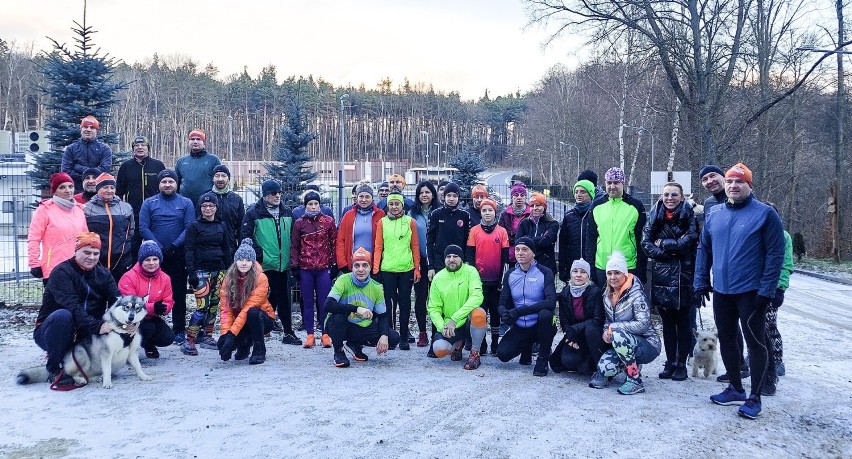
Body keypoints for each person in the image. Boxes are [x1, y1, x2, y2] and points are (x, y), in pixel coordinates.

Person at [695, 163, 785, 419]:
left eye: (739, 182)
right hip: (722, 290)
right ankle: (735, 387)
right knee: (728, 338)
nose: (734, 186)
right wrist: (700, 280)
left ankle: (755, 396)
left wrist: (767, 289)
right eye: (732, 182)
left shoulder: (765, 214)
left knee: (755, 342)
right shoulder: (716, 214)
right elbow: (704, 249)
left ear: (749, 185)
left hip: (751, 291)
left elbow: (775, 254)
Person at [31, 232, 121, 386]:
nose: (91, 257)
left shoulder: (104, 274)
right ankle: (54, 368)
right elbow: (72, 306)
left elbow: (116, 301)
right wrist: (97, 326)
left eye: (95, 253)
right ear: (76, 251)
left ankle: (80, 363)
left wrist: (124, 321)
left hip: (86, 333)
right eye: (86, 252)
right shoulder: (61, 272)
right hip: (52, 331)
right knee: (63, 315)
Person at [642, 182, 698, 381]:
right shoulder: (655, 214)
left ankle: (681, 363)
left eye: (674, 194)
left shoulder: (690, 215)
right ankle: (670, 361)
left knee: (683, 322)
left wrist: (664, 244)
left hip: (684, 276)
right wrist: (664, 254)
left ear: (681, 197)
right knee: (667, 323)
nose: (670, 198)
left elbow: (688, 242)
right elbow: (645, 242)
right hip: (662, 275)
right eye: (666, 194)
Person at [700, 164, 749, 382]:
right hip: (720, 273)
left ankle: (758, 371)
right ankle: (736, 367)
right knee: (727, 325)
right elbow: (707, 242)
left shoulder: (746, 201)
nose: (710, 181)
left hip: (746, 274)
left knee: (750, 326)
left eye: (714, 176)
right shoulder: (710, 205)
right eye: (705, 179)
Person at [588, 252, 661, 395]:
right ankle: (630, 365)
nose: (612, 277)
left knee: (618, 335)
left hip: (648, 344)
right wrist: (605, 331)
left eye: (617, 273)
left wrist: (614, 328)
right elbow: (608, 321)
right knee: (604, 367)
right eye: (609, 273)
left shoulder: (637, 295)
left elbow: (643, 324)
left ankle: (635, 380)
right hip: (623, 342)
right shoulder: (607, 296)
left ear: (625, 274)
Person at [139, 169, 195, 344]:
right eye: (164, 182)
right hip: (154, 257)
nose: (167, 184)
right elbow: (144, 227)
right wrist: (158, 247)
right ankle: (152, 328)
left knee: (178, 293)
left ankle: (178, 329)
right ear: (159, 184)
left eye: (171, 181)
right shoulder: (149, 203)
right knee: (151, 293)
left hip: (177, 254)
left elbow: (189, 226)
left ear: (176, 184)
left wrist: (174, 246)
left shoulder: (186, 203)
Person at [242, 179, 300, 345]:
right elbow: (246, 236)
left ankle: (284, 330)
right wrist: (260, 255)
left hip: (282, 264)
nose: (277, 196)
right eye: (274, 193)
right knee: (265, 297)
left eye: (279, 192)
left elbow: (293, 237)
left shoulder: (287, 212)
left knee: (281, 297)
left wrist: (292, 257)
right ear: (265, 195)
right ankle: (267, 328)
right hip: (264, 264)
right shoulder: (253, 213)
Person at [324, 247, 401, 367]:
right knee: (338, 316)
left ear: (370, 267)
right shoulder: (343, 279)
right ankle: (339, 352)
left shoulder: (377, 287)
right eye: (357, 265)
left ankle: (354, 344)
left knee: (393, 338)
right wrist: (356, 309)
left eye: (365, 265)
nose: (361, 269)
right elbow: (328, 305)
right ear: (352, 267)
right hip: (339, 325)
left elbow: (383, 316)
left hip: (361, 326)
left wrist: (384, 336)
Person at [496, 237, 557, 377]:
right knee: (503, 354)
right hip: (520, 325)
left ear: (533, 253)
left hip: (540, 324)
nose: (520, 253)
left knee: (546, 314)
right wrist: (505, 314)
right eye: (517, 249)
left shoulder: (545, 272)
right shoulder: (510, 274)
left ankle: (543, 357)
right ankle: (527, 347)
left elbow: (550, 302)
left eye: (525, 249)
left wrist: (519, 311)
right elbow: (501, 303)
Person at [181, 191, 230, 356]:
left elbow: (226, 248)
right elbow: (188, 250)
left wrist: (229, 270)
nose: (208, 208)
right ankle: (190, 340)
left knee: (214, 306)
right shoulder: (193, 227)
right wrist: (191, 272)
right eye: (204, 206)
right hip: (201, 272)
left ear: (216, 208)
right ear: (200, 208)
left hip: (220, 271)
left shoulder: (221, 225)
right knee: (202, 307)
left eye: (211, 205)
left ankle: (208, 336)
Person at [216, 238, 277, 365]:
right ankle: (244, 345)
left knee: (253, 312)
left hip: (263, 319)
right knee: (223, 344)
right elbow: (225, 309)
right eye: (240, 260)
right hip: (241, 319)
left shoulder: (261, 278)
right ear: (235, 262)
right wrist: (225, 334)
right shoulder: (228, 279)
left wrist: (232, 335)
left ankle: (259, 349)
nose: (244, 263)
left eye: (248, 260)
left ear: (253, 262)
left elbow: (248, 308)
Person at [373, 192, 421, 349]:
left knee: (405, 303)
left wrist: (417, 268)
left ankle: (404, 336)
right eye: (391, 204)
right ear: (388, 206)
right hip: (387, 269)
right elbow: (378, 246)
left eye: (397, 204)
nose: (394, 207)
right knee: (388, 303)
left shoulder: (410, 222)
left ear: (402, 205)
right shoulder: (382, 223)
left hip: (406, 268)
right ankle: (391, 335)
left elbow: (415, 246)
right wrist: (375, 269)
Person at [427, 245, 487, 370]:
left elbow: (477, 297)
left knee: (479, 314)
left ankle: (475, 353)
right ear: (444, 260)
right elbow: (433, 308)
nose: (451, 259)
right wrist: (442, 326)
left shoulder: (471, 271)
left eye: (455, 256)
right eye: (448, 257)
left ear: (462, 259)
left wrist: (455, 319)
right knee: (439, 350)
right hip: (449, 325)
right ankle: (458, 345)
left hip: (467, 321)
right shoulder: (438, 278)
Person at [585, 167, 647, 286]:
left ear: (622, 183)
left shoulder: (635, 206)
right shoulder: (597, 205)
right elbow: (591, 238)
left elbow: (641, 240)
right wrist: (591, 266)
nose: (612, 186)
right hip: (602, 266)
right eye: (609, 183)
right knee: (603, 303)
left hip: (627, 265)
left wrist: (641, 270)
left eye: (616, 182)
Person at [291, 190, 337, 348]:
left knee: (325, 302)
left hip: (324, 268)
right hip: (306, 269)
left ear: (320, 205)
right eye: (310, 204)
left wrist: (335, 264)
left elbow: (334, 243)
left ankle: (325, 334)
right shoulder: (299, 223)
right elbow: (295, 246)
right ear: (305, 206)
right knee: (308, 302)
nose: (313, 206)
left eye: (316, 203)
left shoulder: (328, 221)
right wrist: (295, 266)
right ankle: (310, 334)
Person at [465, 198, 509, 355]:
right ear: (480, 212)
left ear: (495, 212)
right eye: (484, 210)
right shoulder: (474, 231)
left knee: (495, 314)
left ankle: (495, 343)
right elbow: (469, 257)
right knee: (480, 313)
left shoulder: (502, 232)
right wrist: (472, 280)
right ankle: (481, 343)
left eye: (490, 210)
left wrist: (502, 282)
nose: (487, 213)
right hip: (479, 282)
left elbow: (505, 260)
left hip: (495, 281)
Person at [27, 172, 88, 284]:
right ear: (54, 191)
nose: (68, 190)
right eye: (62, 187)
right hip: (54, 269)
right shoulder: (44, 210)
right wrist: (34, 263)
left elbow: (85, 239)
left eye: (70, 186)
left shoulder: (79, 210)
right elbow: (34, 238)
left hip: (77, 267)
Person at [118, 241, 175, 358]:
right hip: (127, 320)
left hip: (151, 317)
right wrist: (153, 307)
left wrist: (164, 308)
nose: (152, 263)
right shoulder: (129, 277)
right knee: (147, 328)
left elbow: (168, 300)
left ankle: (147, 344)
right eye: (147, 260)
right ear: (141, 261)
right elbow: (130, 305)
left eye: (155, 259)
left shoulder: (165, 278)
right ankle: (126, 349)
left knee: (167, 338)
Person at [550, 259, 605, 374]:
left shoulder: (595, 292)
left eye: (583, 272)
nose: (578, 275)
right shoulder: (565, 293)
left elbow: (598, 320)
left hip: (592, 333)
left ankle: (601, 368)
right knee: (567, 361)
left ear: (588, 275)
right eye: (575, 271)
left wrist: (575, 329)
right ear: (571, 274)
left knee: (591, 330)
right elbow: (564, 319)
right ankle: (585, 363)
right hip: (574, 334)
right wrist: (570, 335)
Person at [116, 135, 166, 255]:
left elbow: (165, 188)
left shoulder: (158, 165)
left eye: (143, 145)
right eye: (136, 146)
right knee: (134, 246)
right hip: (133, 214)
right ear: (133, 149)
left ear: (148, 148)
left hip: (155, 213)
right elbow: (119, 192)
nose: (140, 148)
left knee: (155, 245)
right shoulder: (125, 167)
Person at [84, 173, 135, 282]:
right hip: (96, 260)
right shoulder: (87, 208)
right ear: (97, 189)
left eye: (112, 187)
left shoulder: (125, 207)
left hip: (121, 261)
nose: (109, 190)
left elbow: (131, 231)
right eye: (105, 187)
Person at [765, 203, 794, 383]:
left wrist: (780, 288)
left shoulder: (783, 236)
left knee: (770, 325)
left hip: (773, 288)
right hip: (752, 287)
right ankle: (754, 356)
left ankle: (776, 360)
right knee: (752, 326)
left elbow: (786, 265)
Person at [409, 180, 439, 348]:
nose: (424, 195)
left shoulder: (439, 212)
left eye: (427, 192)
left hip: (436, 261)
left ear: (433, 194)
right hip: (419, 261)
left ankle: (436, 332)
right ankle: (422, 332)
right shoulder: (412, 214)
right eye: (421, 193)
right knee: (420, 298)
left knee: (436, 298)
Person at [336, 183, 385, 273]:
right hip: (354, 264)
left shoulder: (380, 214)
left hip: (374, 264)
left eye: (367, 197)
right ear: (357, 197)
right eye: (361, 196)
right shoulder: (349, 215)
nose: (364, 200)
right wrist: (342, 263)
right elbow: (340, 240)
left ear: (372, 198)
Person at [426, 182, 470, 280]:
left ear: (458, 198)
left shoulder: (465, 216)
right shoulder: (436, 214)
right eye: (448, 195)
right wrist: (431, 266)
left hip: (458, 263)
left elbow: (468, 242)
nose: (451, 199)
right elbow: (429, 241)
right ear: (444, 196)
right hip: (439, 263)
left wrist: (466, 262)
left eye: (454, 196)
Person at [61, 115, 112, 193]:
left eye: (92, 128)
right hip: (75, 192)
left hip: (98, 193)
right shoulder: (71, 149)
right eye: (85, 127)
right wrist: (86, 177)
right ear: (81, 129)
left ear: (96, 130)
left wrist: (78, 167)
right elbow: (66, 171)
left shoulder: (105, 149)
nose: (88, 130)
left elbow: (105, 170)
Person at [558, 179, 596, 283]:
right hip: (572, 266)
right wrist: (562, 268)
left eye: (583, 192)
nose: (578, 194)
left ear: (591, 194)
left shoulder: (596, 214)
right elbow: (563, 244)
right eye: (576, 191)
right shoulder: (568, 216)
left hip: (591, 266)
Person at [516, 192, 559, 277]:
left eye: (538, 205)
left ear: (544, 207)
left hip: (546, 267)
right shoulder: (524, 223)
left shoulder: (552, 223)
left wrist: (527, 239)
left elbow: (547, 241)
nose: (535, 208)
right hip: (527, 267)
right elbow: (518, 241)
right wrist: (539, 239)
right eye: (532, 206)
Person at [175, 128, 221, 207]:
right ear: (189, 142)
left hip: (207, 206)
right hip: (184, 205)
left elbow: (219, 183)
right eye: (192, 139)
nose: (195, 141)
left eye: (198, 139)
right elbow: (176, 183)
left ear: (204, 143)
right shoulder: (181, 161)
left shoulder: (213, 160)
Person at [207, 165, 244, 259]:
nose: (220, 179)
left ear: (228, 179)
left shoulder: (237, 199)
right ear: (212, 178)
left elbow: (241, 227)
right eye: (217, 176)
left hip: (231, 249)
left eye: (223, 176)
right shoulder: (205, 199)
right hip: (209, 249)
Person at [498, 181, 531, 265]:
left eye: (522, 195)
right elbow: (501, 235)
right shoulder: (504, 214)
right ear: (512, 197)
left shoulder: (531, 214)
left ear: (525, 197)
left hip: (528, 256)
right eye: (516, 195)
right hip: (510, 257)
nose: (519, 198)